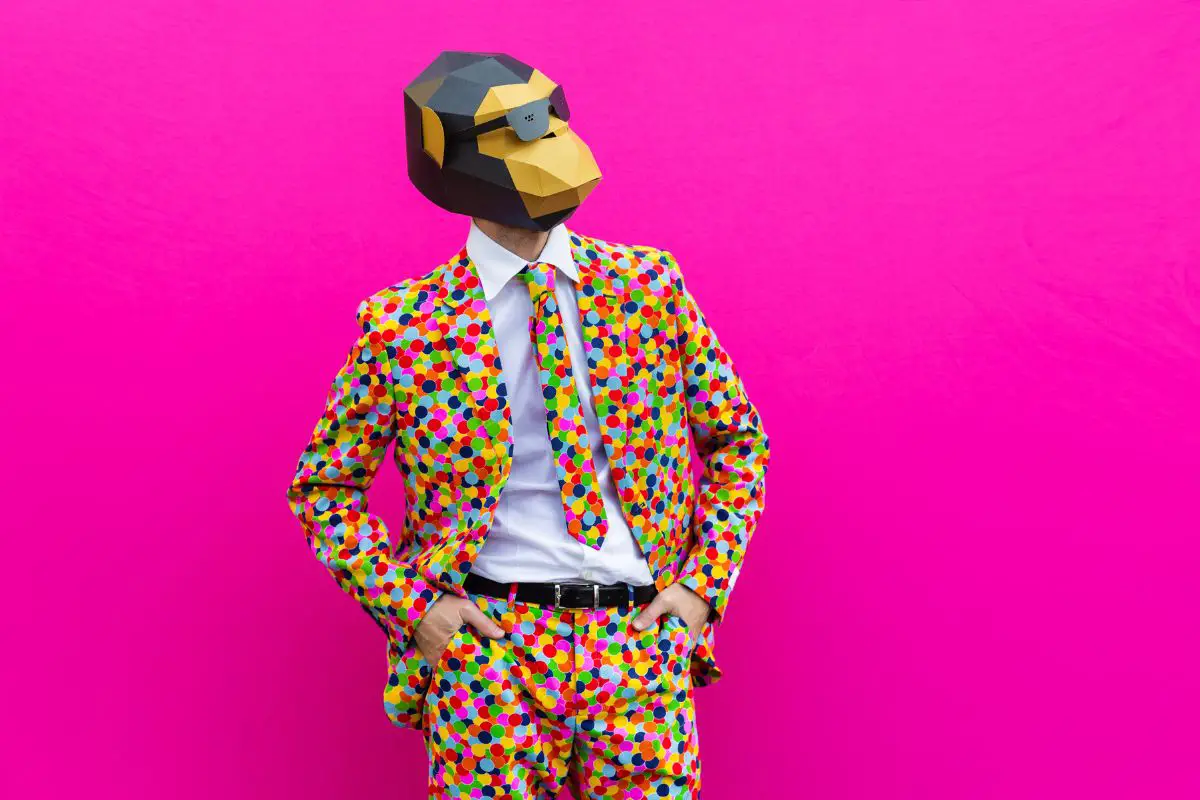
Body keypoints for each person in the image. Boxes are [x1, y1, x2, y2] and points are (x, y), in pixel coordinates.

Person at [286, 50, 770, 798]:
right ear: (450, 161)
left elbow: (738, 441)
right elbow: (324, 488)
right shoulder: (403, 326)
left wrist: (702, 588)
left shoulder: (648, 289)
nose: (548, 147)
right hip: (491, 654)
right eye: (516, 131)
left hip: (640, 645)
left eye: (549, 121)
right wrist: (415, 610)